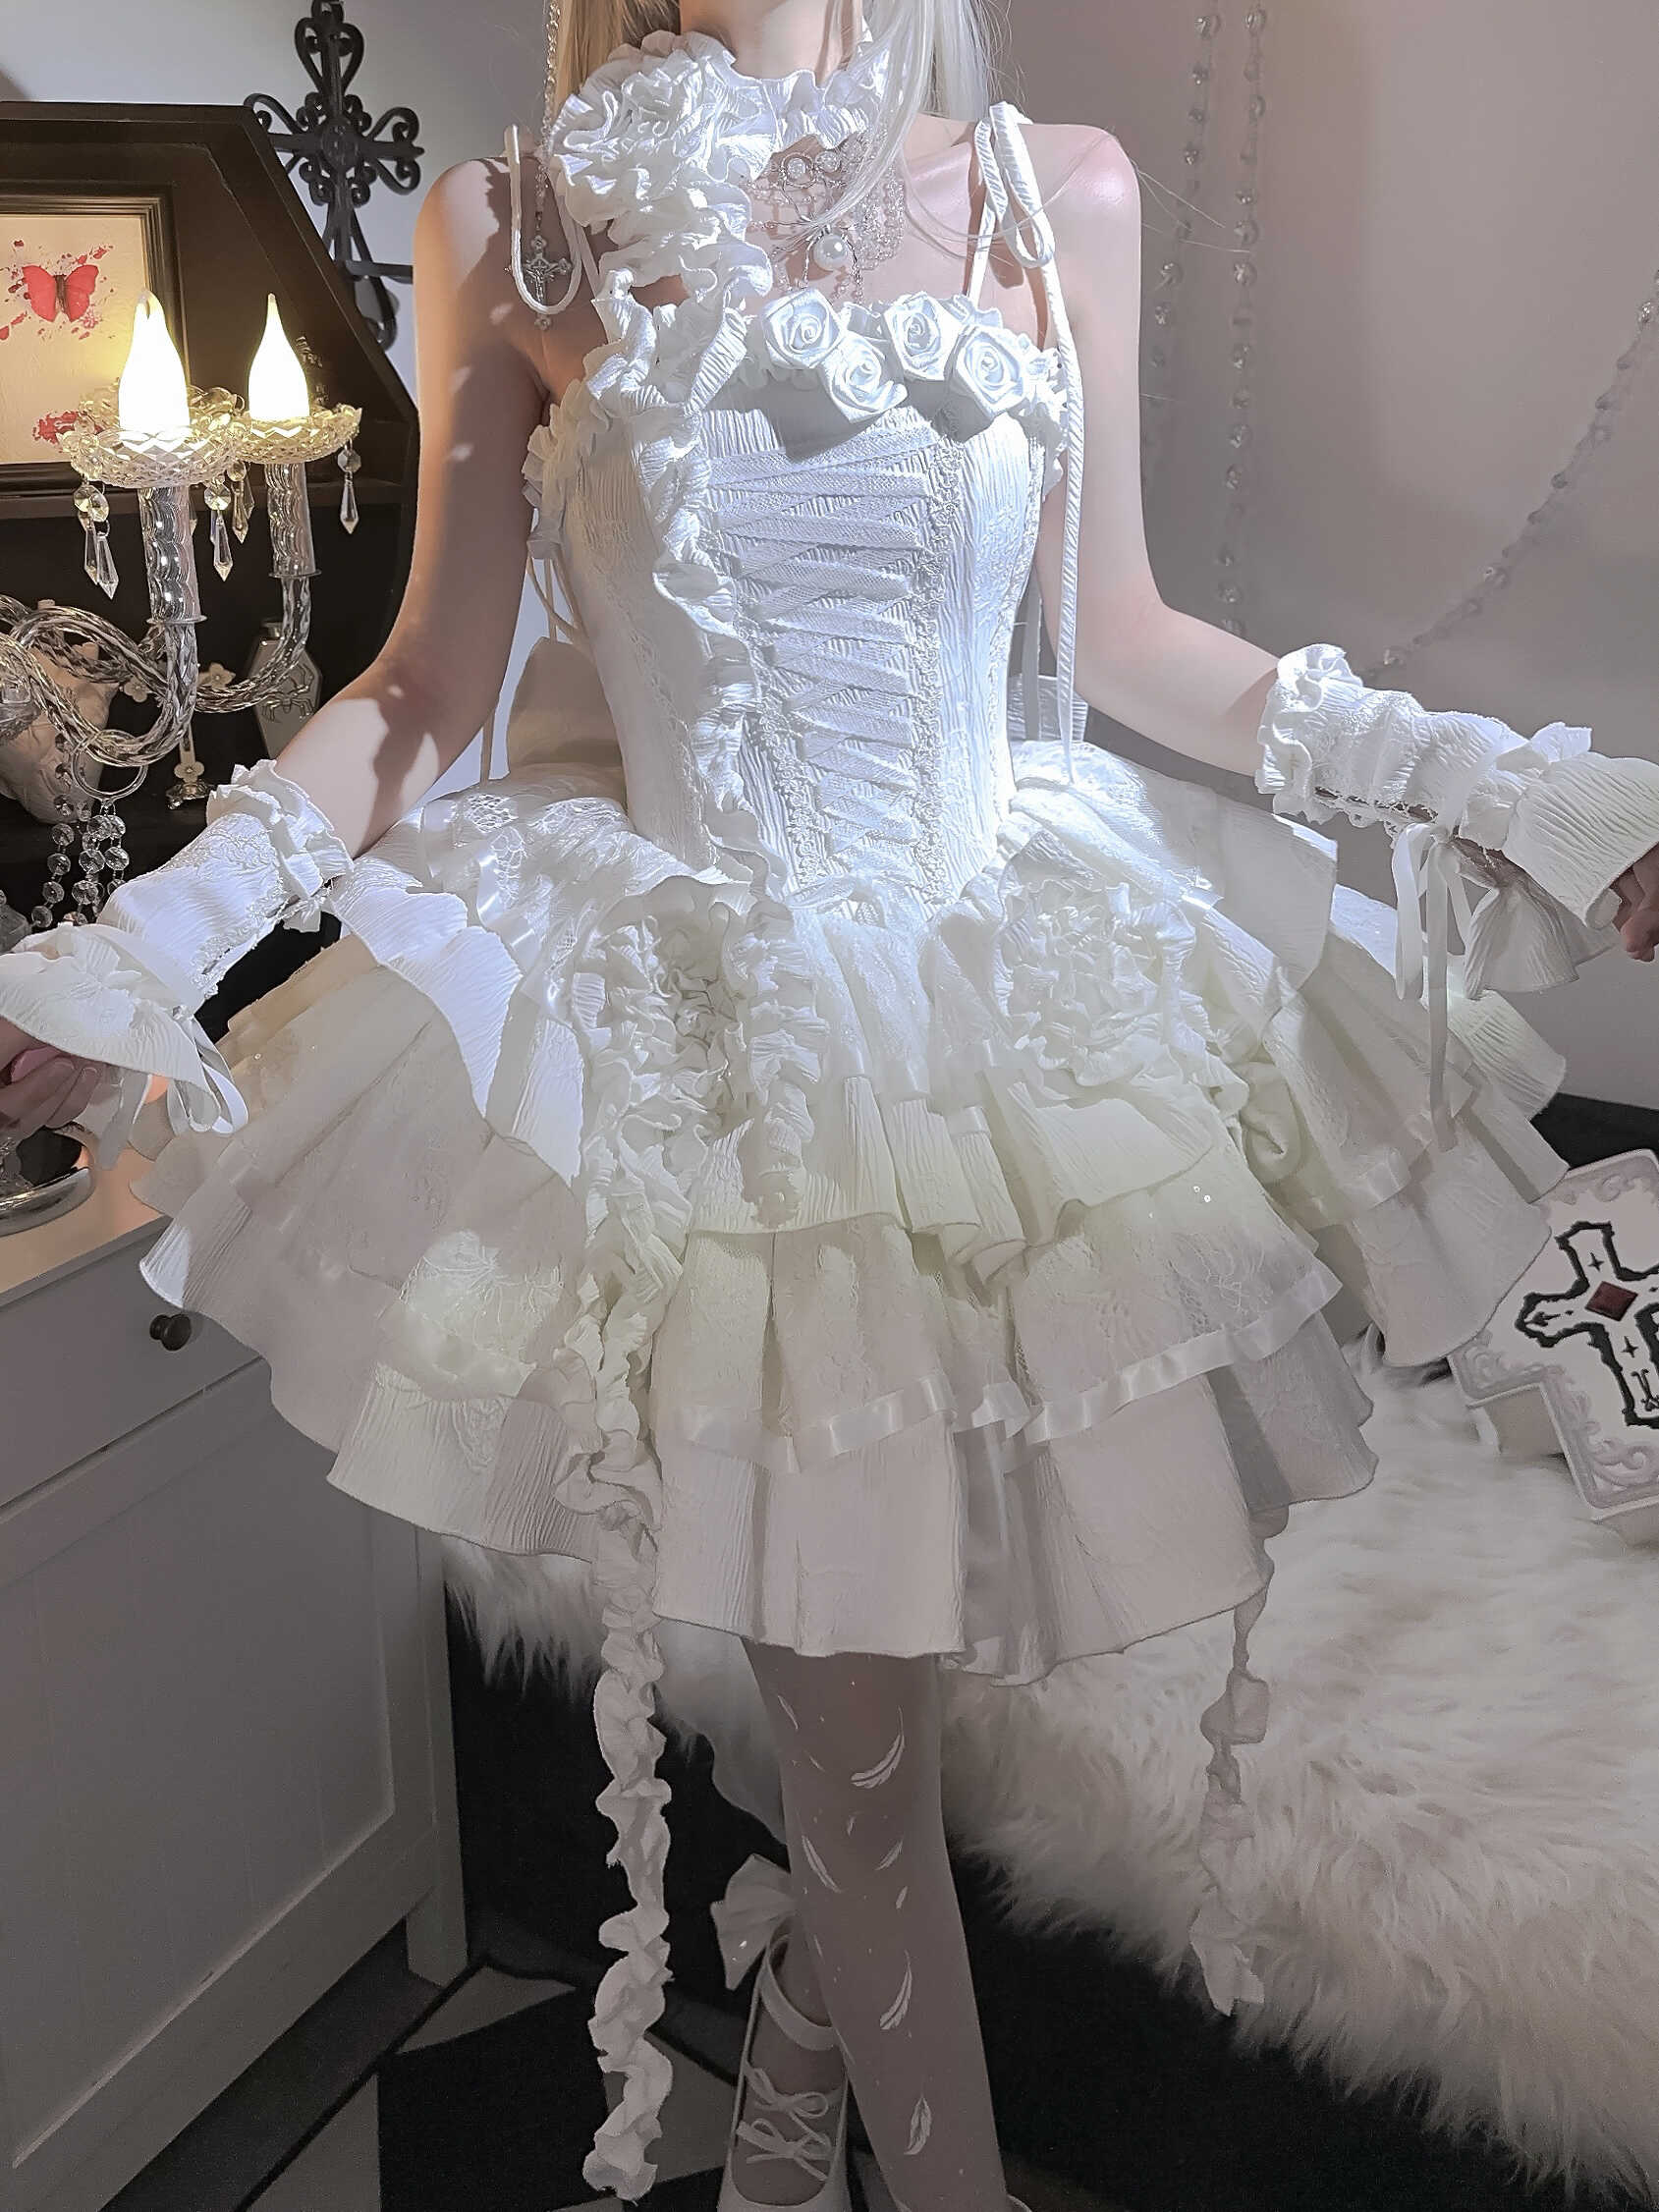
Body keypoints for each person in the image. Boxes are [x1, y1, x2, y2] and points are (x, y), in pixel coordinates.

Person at [2, 2, 1657, 2206]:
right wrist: (153, 934)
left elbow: (1133, 638)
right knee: (861, 1745)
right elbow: (424, 691)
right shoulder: (519, 221)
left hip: (1016, 1023)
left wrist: (1511, 791)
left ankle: (791, 2084)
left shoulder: (1049, 194)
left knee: (899, 1668)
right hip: (719, 1069)